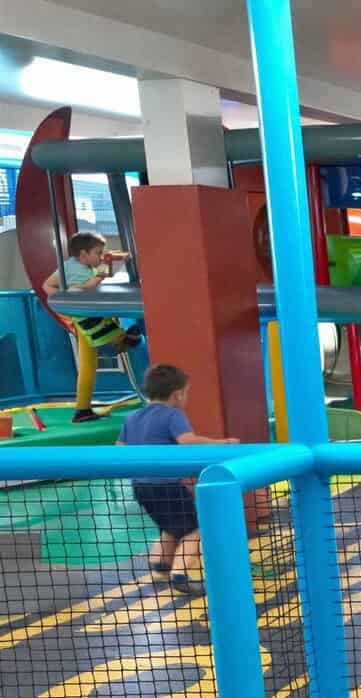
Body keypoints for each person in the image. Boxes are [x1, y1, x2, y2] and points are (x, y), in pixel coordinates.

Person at [116, 363, 238, 592]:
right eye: (186, 392)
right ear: (177, 394)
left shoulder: (132, 417)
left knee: (169, 526)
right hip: (167, 485)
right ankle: (180, 575)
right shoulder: (173, 415)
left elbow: (119, 447)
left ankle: (159, 566)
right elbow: (187, 440)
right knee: (195, 529)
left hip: (141, 486)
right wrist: (222, 443)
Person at [43, 231, 141, 424]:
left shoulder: (74, 265)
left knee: (89, 364)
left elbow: (48, 284)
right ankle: (121, 342)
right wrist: (66, 298)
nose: (100, 256)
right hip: (85, 316)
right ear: (83, 254)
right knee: (104, 337)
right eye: (97, 253)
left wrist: (62, 296)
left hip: (84, 314)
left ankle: (82, 408)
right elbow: (89, 284)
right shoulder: (75, 268)